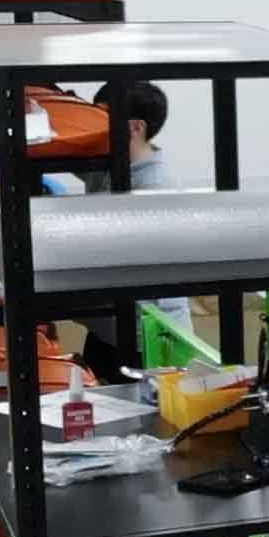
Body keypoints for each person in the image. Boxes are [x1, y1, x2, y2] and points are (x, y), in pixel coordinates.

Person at [78, 81, 188, 380]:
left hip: (145, 342)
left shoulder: (154, 190)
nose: (95, 129)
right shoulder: (112, 165)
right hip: (106, 331)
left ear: (136, 128)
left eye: (101, 120)